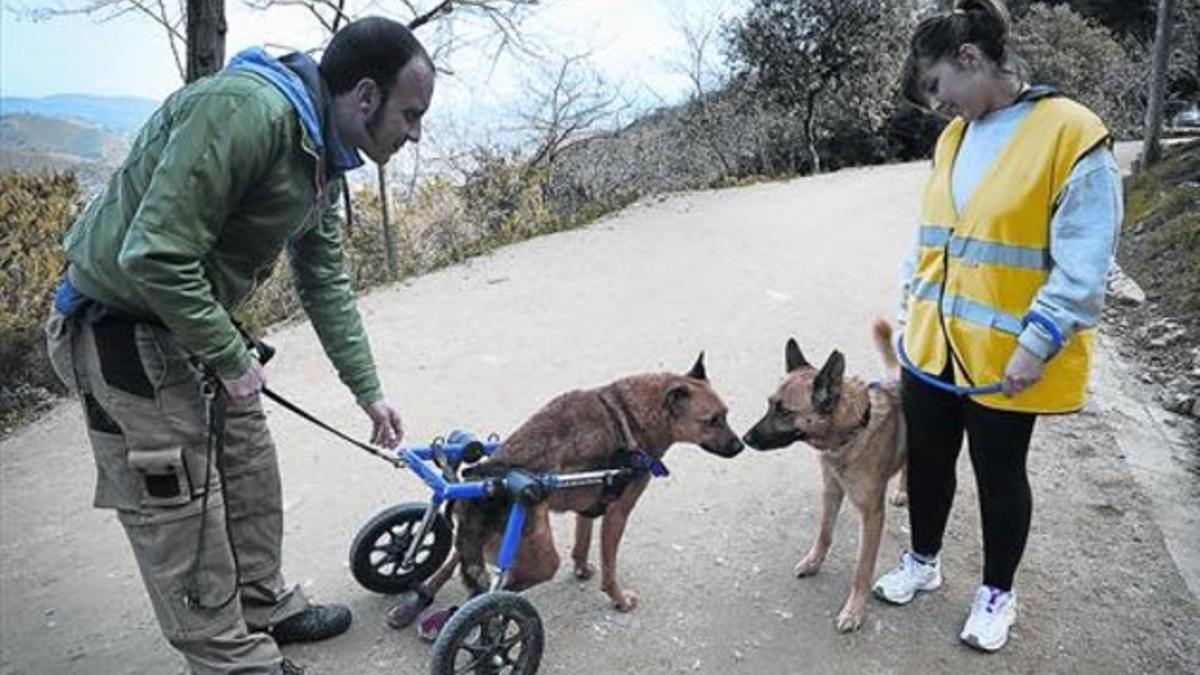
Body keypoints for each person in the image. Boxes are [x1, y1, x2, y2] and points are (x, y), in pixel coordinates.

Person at [43, 16, 433, 674]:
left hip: (188, 326)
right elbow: (153, 254)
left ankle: (260, 603)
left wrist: (368, 391)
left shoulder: (320, 155)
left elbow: (325, 280)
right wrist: (228, 354)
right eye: (411, 112)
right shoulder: (246, 113)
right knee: (177, 500)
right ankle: (230, 658)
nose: (415, 131)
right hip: (121, 333)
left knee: (248, 463)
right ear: (365, 96)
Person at [872, 0, 1123, 653]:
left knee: (998, 472)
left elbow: (1084, 259)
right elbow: (930, 238)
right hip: (932, 343)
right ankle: (922, 562)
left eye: (936, 86)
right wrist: (908, 312)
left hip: (1006, 352)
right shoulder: (953, 137)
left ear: (971, 58)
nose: (936, 105)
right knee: (927, 460)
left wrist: (1038, 343)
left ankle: (996, 593)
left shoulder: (1071, 131)